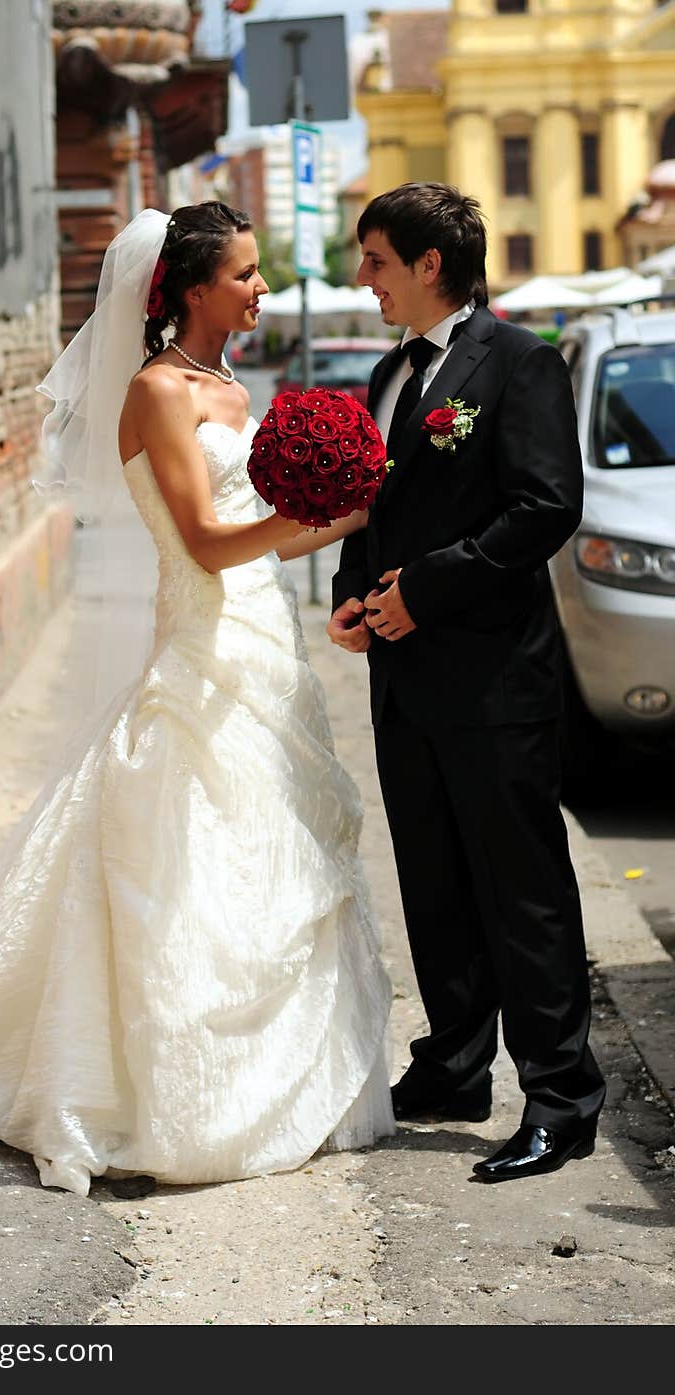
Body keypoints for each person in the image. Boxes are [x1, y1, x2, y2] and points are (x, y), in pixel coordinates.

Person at [0, 202, 394, 1198]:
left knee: (271, 850)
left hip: (259, 636)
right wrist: (300, 512)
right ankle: (163, 1092)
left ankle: (276, 1074)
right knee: (181, 853)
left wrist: (347, 514)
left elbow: (259, 539)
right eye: (244, 275)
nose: (259, 289)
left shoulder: (228, 387)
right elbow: (204, 543)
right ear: (192, 286)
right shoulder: (159, 391)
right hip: (200, 637)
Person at [328, 182, 605, 1183]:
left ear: (428, 265)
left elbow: (545, 507)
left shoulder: (521, 363)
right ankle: (452, 1064)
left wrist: (427, 592)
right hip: (403, 679)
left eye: (375, 262)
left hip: (495, 682)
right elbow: (373, 508)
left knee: (521, 891)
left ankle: (562, 1096)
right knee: (433, 880)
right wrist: (355, 594)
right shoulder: (384, 374)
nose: (364, 280)